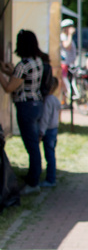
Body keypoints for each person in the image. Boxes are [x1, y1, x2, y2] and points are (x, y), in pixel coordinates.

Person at [0, 29, 46, 195]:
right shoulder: (37, 61)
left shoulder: (22, 65)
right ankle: (34, 177)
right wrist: (7, 71)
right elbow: (19, 78)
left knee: (31, 146)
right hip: (36, 104)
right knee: (34, 144)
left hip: (25, 106)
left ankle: (33, 182)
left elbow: (9, 87)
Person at [39, 77, 61, 188]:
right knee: (51, 154)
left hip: (48, 130)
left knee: (49, 155)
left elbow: (45, 118)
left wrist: (41, 132)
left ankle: (50, 179)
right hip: (54, 129)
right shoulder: (55, 99)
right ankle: (51, 176)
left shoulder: (47, 100)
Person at [60, 18, 77, 107]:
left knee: (69, 83)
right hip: (65, 63)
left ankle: (66, 101)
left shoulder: (67, 36)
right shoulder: (63, 36)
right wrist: (70, 35)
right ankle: (64, 101)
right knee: (65, 84)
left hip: (70, 63)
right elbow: (67, 46)